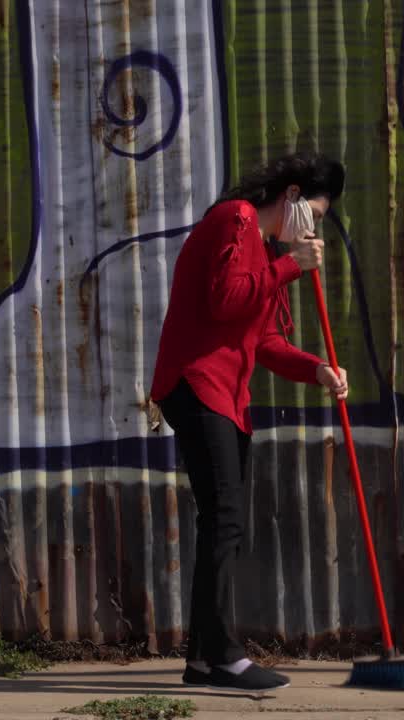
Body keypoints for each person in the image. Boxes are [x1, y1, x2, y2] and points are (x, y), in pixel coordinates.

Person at [150, 152, 350, 692]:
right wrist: (290, 266)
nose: (314, 228)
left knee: (221, 523)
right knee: (225, 521)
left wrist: (319, 371)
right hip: (198, 384)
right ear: (290, 196)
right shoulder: (236, 218)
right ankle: (226, 656)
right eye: (314, 212)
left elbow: (263, 341)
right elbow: (224, 301)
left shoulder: (259, 249)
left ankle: (202, 661)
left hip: (224, 396)